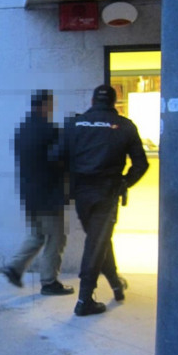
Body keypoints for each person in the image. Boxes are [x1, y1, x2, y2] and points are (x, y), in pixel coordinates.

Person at [64, 84, 149, 316]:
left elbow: (58, 157)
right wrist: (125, 183)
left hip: (81, 193)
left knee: (99, 239)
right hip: (107, 192)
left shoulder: (74, 124)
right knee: (97, 242)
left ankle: (116, 285)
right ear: (114, 102)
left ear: (92, 101)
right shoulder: (126, 126)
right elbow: (141, 164)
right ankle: (84, 300)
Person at [3, 90, 73, 295]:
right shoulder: (50, 130)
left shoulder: (22, 129)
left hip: (29, 195)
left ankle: (14, 268)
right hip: (48, 196)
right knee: (55, 238)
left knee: (37, 234)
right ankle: (49, 282)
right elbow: (60, 159)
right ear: (45, 105)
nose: (52, 109)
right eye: (51, 105)